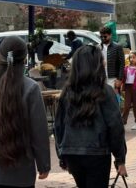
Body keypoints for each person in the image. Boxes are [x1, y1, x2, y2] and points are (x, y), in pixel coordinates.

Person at [0, 36, 50, 187]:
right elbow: (39, 131)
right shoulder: (31, 88)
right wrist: (44, 164)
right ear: (25, 58)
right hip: (18, 169)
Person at [54, 45, 127, 186]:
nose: (104, 62)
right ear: (97, 64)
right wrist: (120, 158)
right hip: (97, 153)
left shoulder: (67, 92)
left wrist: (62, 155)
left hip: (72, 153)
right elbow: (115, 127)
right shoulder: (105, 91)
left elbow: (59, 126)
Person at [122, 51, 136, 130]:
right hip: (128, 88)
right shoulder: (126, 67)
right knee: (126, 106)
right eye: (130, 57)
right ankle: (123, 123)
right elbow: (123, 77)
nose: (132, 59)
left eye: (134, 57)